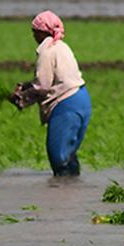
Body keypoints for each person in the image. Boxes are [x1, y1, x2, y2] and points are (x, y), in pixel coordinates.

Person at [11, 11, 92, 176]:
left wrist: (20, 99)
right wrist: (26, 87)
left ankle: (60, 197)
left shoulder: (46, 51)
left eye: (35, 31)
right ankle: (73, 192)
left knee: (59, 157)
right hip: (82, 99)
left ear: (43, 32)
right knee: (69, 156)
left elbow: (42, 87)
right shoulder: (62, 46)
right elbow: (55, 78)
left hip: (66, 104)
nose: (33, 35)